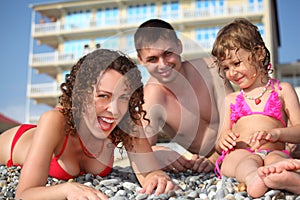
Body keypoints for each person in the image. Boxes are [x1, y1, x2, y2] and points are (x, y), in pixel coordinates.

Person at [0, 49, 176, 199]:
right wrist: (67, 189)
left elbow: (147, 173)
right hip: (12, 144)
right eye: (103, 96)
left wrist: (156, 176)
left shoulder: (126, 119)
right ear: (81, 94)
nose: (114, 109)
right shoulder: (54, 121)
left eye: (123, 97)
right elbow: (24, 194)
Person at [211, 18, 300, 198]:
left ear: (258, 54)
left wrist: (277, 134)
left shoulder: (282, 90)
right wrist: (224, 141)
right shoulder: (231, 99)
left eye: (236, 63)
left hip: (274, 150)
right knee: (243, 161)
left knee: (277, 159)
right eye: (226, 68)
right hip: (240, 153)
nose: (232, 73)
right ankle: (254, 178)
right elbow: (219, 143)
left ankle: (285, 177)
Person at [133, 19, 233, 173]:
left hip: (244, 146)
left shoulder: (210, 69)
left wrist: (216, 158)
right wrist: (157, 152)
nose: (163, 64)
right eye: (152, 59)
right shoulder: (151, 98)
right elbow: (140, 147)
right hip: (208, 164)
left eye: (168, 54)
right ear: (141, 60)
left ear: (179, 46)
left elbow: (240, 114)